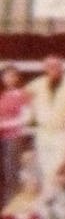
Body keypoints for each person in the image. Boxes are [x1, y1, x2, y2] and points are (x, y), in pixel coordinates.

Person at [27, 55, 65, 200]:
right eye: (49, 66)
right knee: (46, 167)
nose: (53, 69)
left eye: (56, 66)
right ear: (45, 68)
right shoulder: (37, 83)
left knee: (59, 165)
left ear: (62, 67)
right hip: (43, 132)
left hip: (64, 132)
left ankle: (53, 197)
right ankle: (51, 198)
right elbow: (27, 99)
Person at [0, 65, 32, 206]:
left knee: (11, 171)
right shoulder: (1, 95)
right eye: (6, 75)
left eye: (12, 75)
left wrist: (5, 125)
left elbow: (26, 118)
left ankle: (10, 206)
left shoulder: (21, 95)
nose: (9, 79)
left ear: (17, 78)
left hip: (12, 137)